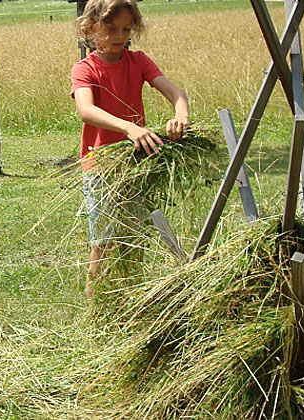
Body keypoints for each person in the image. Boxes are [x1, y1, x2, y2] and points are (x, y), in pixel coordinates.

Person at [71, 0, 189, 300]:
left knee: (134, 240)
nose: (119, 36)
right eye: (110, 29)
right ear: (90, 28)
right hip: (102, 168)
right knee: (104, 242)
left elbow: (175, 92)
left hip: (136, 164)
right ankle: (96, 307)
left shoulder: (138, 62)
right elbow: (86, 110)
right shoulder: (85, 68)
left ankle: (133, 302)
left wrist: (181, 116)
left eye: (126, 29)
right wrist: (129, 127)